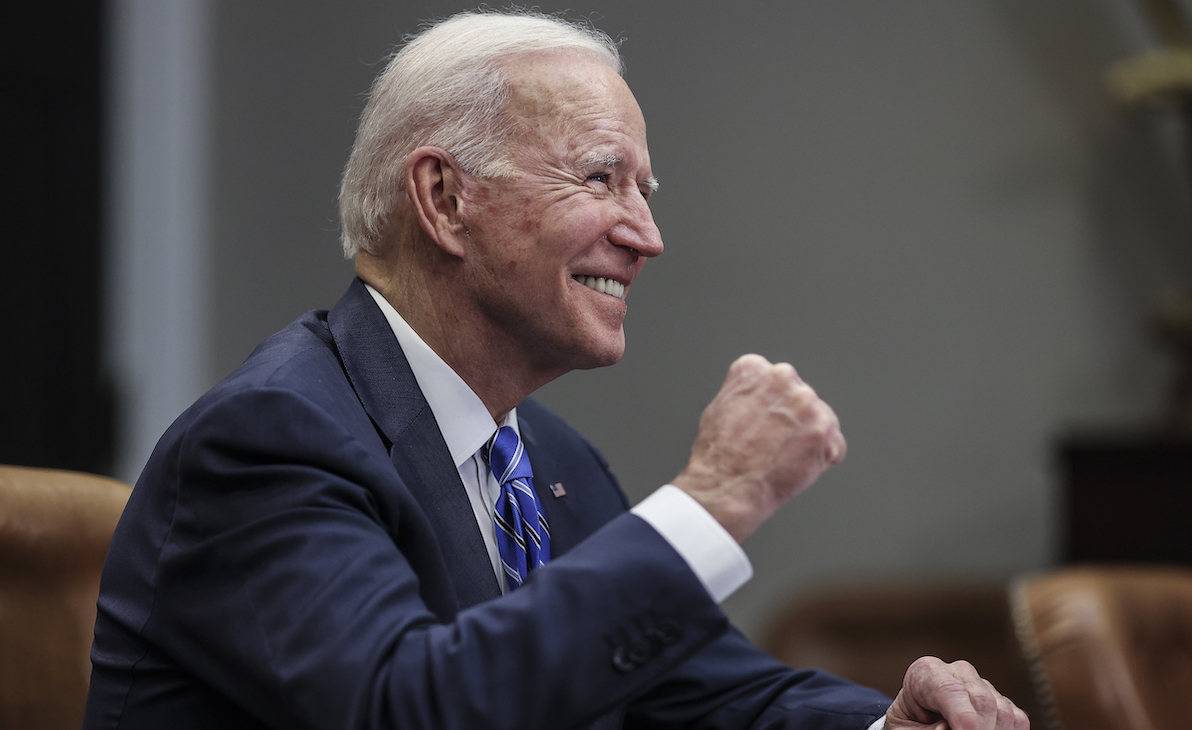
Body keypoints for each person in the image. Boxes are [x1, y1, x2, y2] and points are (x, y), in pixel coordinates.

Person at [83, 10, 1028, 730]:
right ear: (445, 198)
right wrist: (714, 499)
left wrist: (881, 724)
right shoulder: (268, 440)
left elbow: (696, 695)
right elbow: (407, 707)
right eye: (601, 178)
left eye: (645, 193)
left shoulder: (543, 458)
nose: (647, 237)